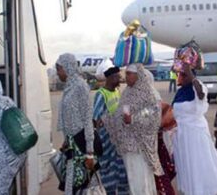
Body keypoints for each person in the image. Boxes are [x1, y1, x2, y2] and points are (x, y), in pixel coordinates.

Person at [105, 63, 162, 195]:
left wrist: (135, 118)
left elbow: (154, 113)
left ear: (139, 75)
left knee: (141, 178)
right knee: (133, 178)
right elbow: (119, 113)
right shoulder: (127, 92)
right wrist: (106, 120)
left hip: (139, 145)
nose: (126, 77)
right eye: (126, 74)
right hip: (127, 145)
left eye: (129, 74)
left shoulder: (148, 92)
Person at [172, 63, 217, 194]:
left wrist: (191, 76)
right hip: (181, 136)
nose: (181, 77)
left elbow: (201, 95)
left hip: (195, 135)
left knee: (198, 164)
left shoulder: (198, 87)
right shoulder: (180, 92)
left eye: (184, 75)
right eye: (181, 75)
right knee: (187, 166)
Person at [56, 53, 98, 194]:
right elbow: (69, 118)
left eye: (59, 68)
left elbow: (87, 119)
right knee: (74, 186)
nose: (57, 72)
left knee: (83, 186)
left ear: (68, 67)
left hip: (81, 146)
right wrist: (66, 140)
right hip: (72, 145)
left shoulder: (80, 87)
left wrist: (90, 153)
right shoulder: (69, 87)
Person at [92, 60, 129, 194]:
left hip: (118, 141)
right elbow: (95, 119)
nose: (120, 79)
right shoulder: (101, 94)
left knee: (121, 172)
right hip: (106, 142)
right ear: (109, 78)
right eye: (117, 77)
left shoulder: (117, 92)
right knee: (108, 173)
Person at [144, 69, 176, 195]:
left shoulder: (151, 95)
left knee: (159, 174)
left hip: (154, 141)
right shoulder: (151, 93)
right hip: (155, 141)